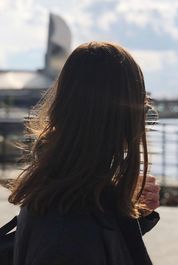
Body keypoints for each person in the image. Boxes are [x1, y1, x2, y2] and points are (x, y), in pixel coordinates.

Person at [9, 41, 160, 265]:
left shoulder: (58, 190)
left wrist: (129, 212)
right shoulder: (70, 227)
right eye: (142, 107)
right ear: (122, 117)